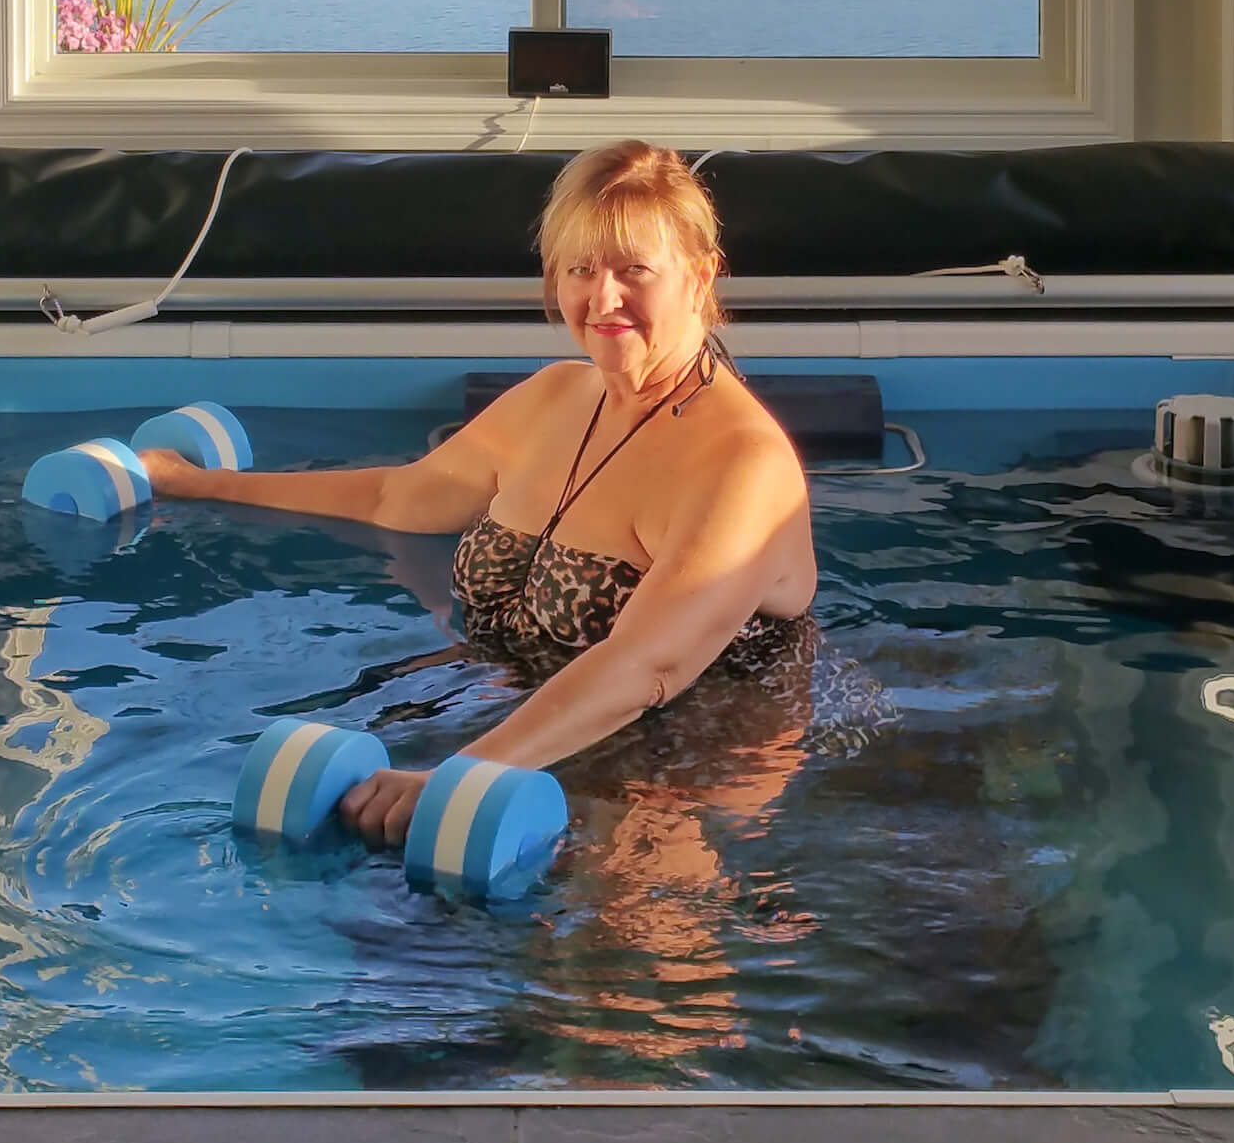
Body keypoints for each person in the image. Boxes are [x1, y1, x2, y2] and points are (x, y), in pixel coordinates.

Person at [138, 139, 820, 843]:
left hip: (693, 754)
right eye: (581, 268)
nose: (603, 296)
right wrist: (198, 483)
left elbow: (649, 664)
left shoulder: (741, 462)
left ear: (699, 278)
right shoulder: (554, 398)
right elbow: (396, 500)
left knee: (604, 939)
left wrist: (455, 778)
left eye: (634, 269)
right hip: (522, 713)